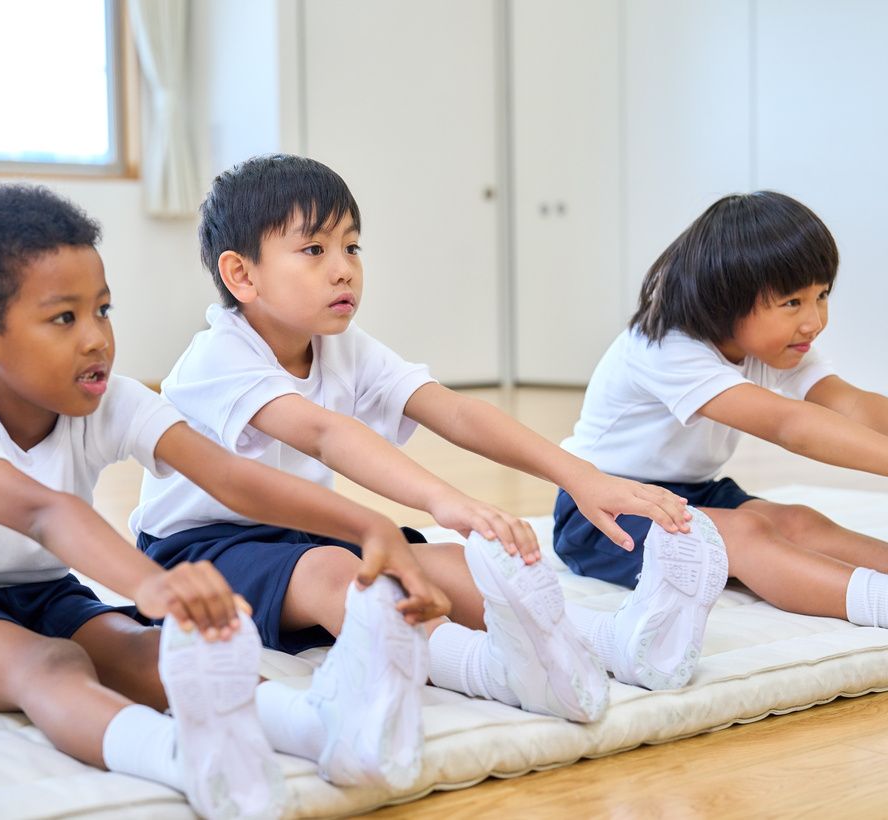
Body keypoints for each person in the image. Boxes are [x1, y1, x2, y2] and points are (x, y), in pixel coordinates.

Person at [0, 185, 450, 820]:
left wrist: (368, 524)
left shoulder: (113, 400)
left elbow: (231, 477)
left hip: (42, 591)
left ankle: (316, 727)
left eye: (102, 310)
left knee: (147, 649)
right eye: (63, 318)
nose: (97, 338)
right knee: (49, 664)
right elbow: (46, 513)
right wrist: (156, 585)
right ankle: (183, 760)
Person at [130, 153, 703, 717]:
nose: (343, 268)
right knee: (345, 576)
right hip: (198, 550)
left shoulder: (341, 345)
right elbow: (326, 434)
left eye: (351, 246)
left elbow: (451, 412)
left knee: (445, 561)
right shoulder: (218, 356)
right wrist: (445, 499)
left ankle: (612, 642)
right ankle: (492, 670)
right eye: (314, 250)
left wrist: (579, 475)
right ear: (241, 275)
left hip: (301, 528)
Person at [554, 190, 888, 670]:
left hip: (691, 491)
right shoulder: (664, 349)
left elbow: (851, 404)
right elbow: (790, 425)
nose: (814, 321)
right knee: (744, 533)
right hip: (601, 509)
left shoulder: (769, 345)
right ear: (724, 298)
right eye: (792, 302)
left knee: (800, 522)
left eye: (822, 295)